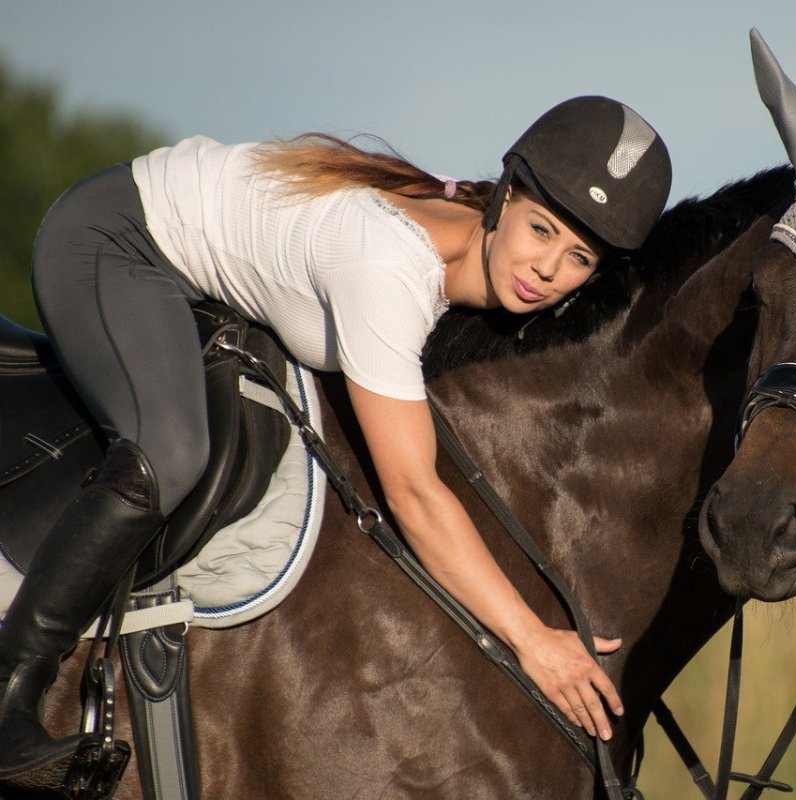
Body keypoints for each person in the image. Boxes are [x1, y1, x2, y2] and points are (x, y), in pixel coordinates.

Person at [0, 96, 671, 795]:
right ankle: (11, 690)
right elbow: (412, 493)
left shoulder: (462, 242)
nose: (548, 269)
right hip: (114, 240)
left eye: (578, 257)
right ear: (505, 195)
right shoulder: (386, 269)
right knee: (171, 453)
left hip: (170, 262)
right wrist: (534, 642)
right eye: (541, 230)